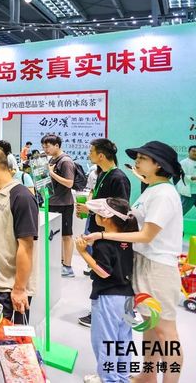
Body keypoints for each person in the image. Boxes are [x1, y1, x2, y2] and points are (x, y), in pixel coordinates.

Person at [84, 141, 185, 383]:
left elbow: (146, 235)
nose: (136, 162)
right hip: (144, 264)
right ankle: (148, 376)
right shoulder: (153, 189)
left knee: (166, 333)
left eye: (142, 158)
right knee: (151, 327)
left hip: (157, 269)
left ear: (158, 164)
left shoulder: (163, 194)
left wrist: (103, 235)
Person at [0, 146, 38, 354]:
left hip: (10, 290)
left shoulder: (21, 196)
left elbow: (26, 247)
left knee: (13, 353)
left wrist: (19, 289)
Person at [75, 198, 137, 383]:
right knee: (123, 339)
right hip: (127, 297)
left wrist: (83, 252)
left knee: (105, 341)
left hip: (109, 298)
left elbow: (103, 272)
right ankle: (122, 377)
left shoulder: (103, 244)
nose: (94, 216)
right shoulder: (128, 239)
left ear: (107, 219)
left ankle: (109, 379)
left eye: (97, 214)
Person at [77, 138, 131, 327]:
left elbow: (120, 210)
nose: (88, 154)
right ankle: (99, 311)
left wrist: (91, 209)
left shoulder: (119, 178)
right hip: (99, 232)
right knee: (98, 274)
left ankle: (104, 315)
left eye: (91, 151)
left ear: (101, 155)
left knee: (106, 274)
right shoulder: (102, 174)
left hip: (109, 235)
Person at [41, 133, 77, 278]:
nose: (45, 149)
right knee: (54, 235)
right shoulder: (52, 160)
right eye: (43, 147)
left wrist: (51, 173)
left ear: (57, 145)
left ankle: (68, 267)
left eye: (47, 146)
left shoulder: (65, 161)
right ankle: (60, 262)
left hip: (64, 204)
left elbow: (69, 183)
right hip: (53, 202)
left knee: (66, 236)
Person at [177, 145, 196, 215]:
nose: (195, 153)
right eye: (193, 151)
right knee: (180, 212)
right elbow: (181, 176)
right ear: (188, 152)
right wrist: (193, 178)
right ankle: (170, 221)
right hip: (189, 193)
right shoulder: (183, 163)